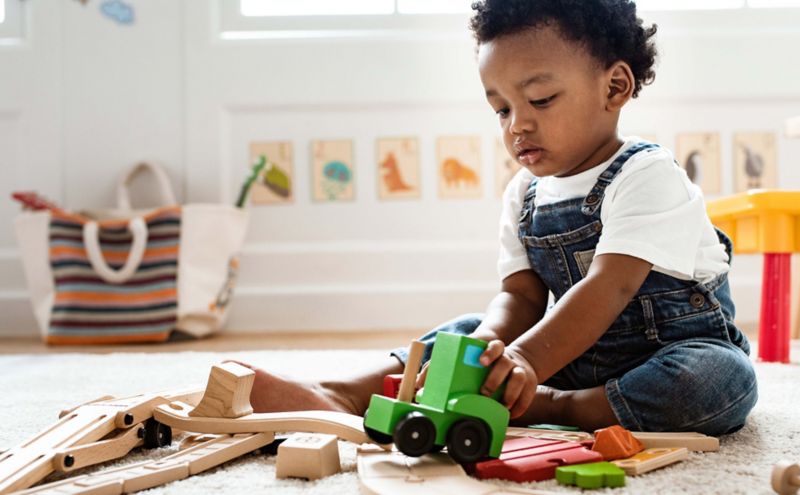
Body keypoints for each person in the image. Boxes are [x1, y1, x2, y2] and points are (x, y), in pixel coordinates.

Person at [242, 0, 757, 436]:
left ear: (614, 87)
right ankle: (343, 393)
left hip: (665, 352)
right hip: (567, 354)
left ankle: (555, 408)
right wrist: (490, 344)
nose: (519, 124)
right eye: (501, 109)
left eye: (540, 99)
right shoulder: (524, 193)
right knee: (464, 332)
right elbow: (522, 297)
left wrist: (528, 362)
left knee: (716, 380)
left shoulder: (647, 174)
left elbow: (610, 288)